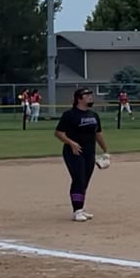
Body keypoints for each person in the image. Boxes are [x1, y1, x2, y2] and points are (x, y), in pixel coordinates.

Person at [53, 87, 111, 223]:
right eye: (87, 95)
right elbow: (58, 133)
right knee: (78, 179)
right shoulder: (69, 115)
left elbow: (98, 133)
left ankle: (80, 207)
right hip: (73, 152)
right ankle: (77, 211)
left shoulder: (93, 115)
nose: (90, 97)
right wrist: (71, 143)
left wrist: (105, 150)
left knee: (84, 181)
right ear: (79, 98)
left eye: (91, 95)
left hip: (89, 152)